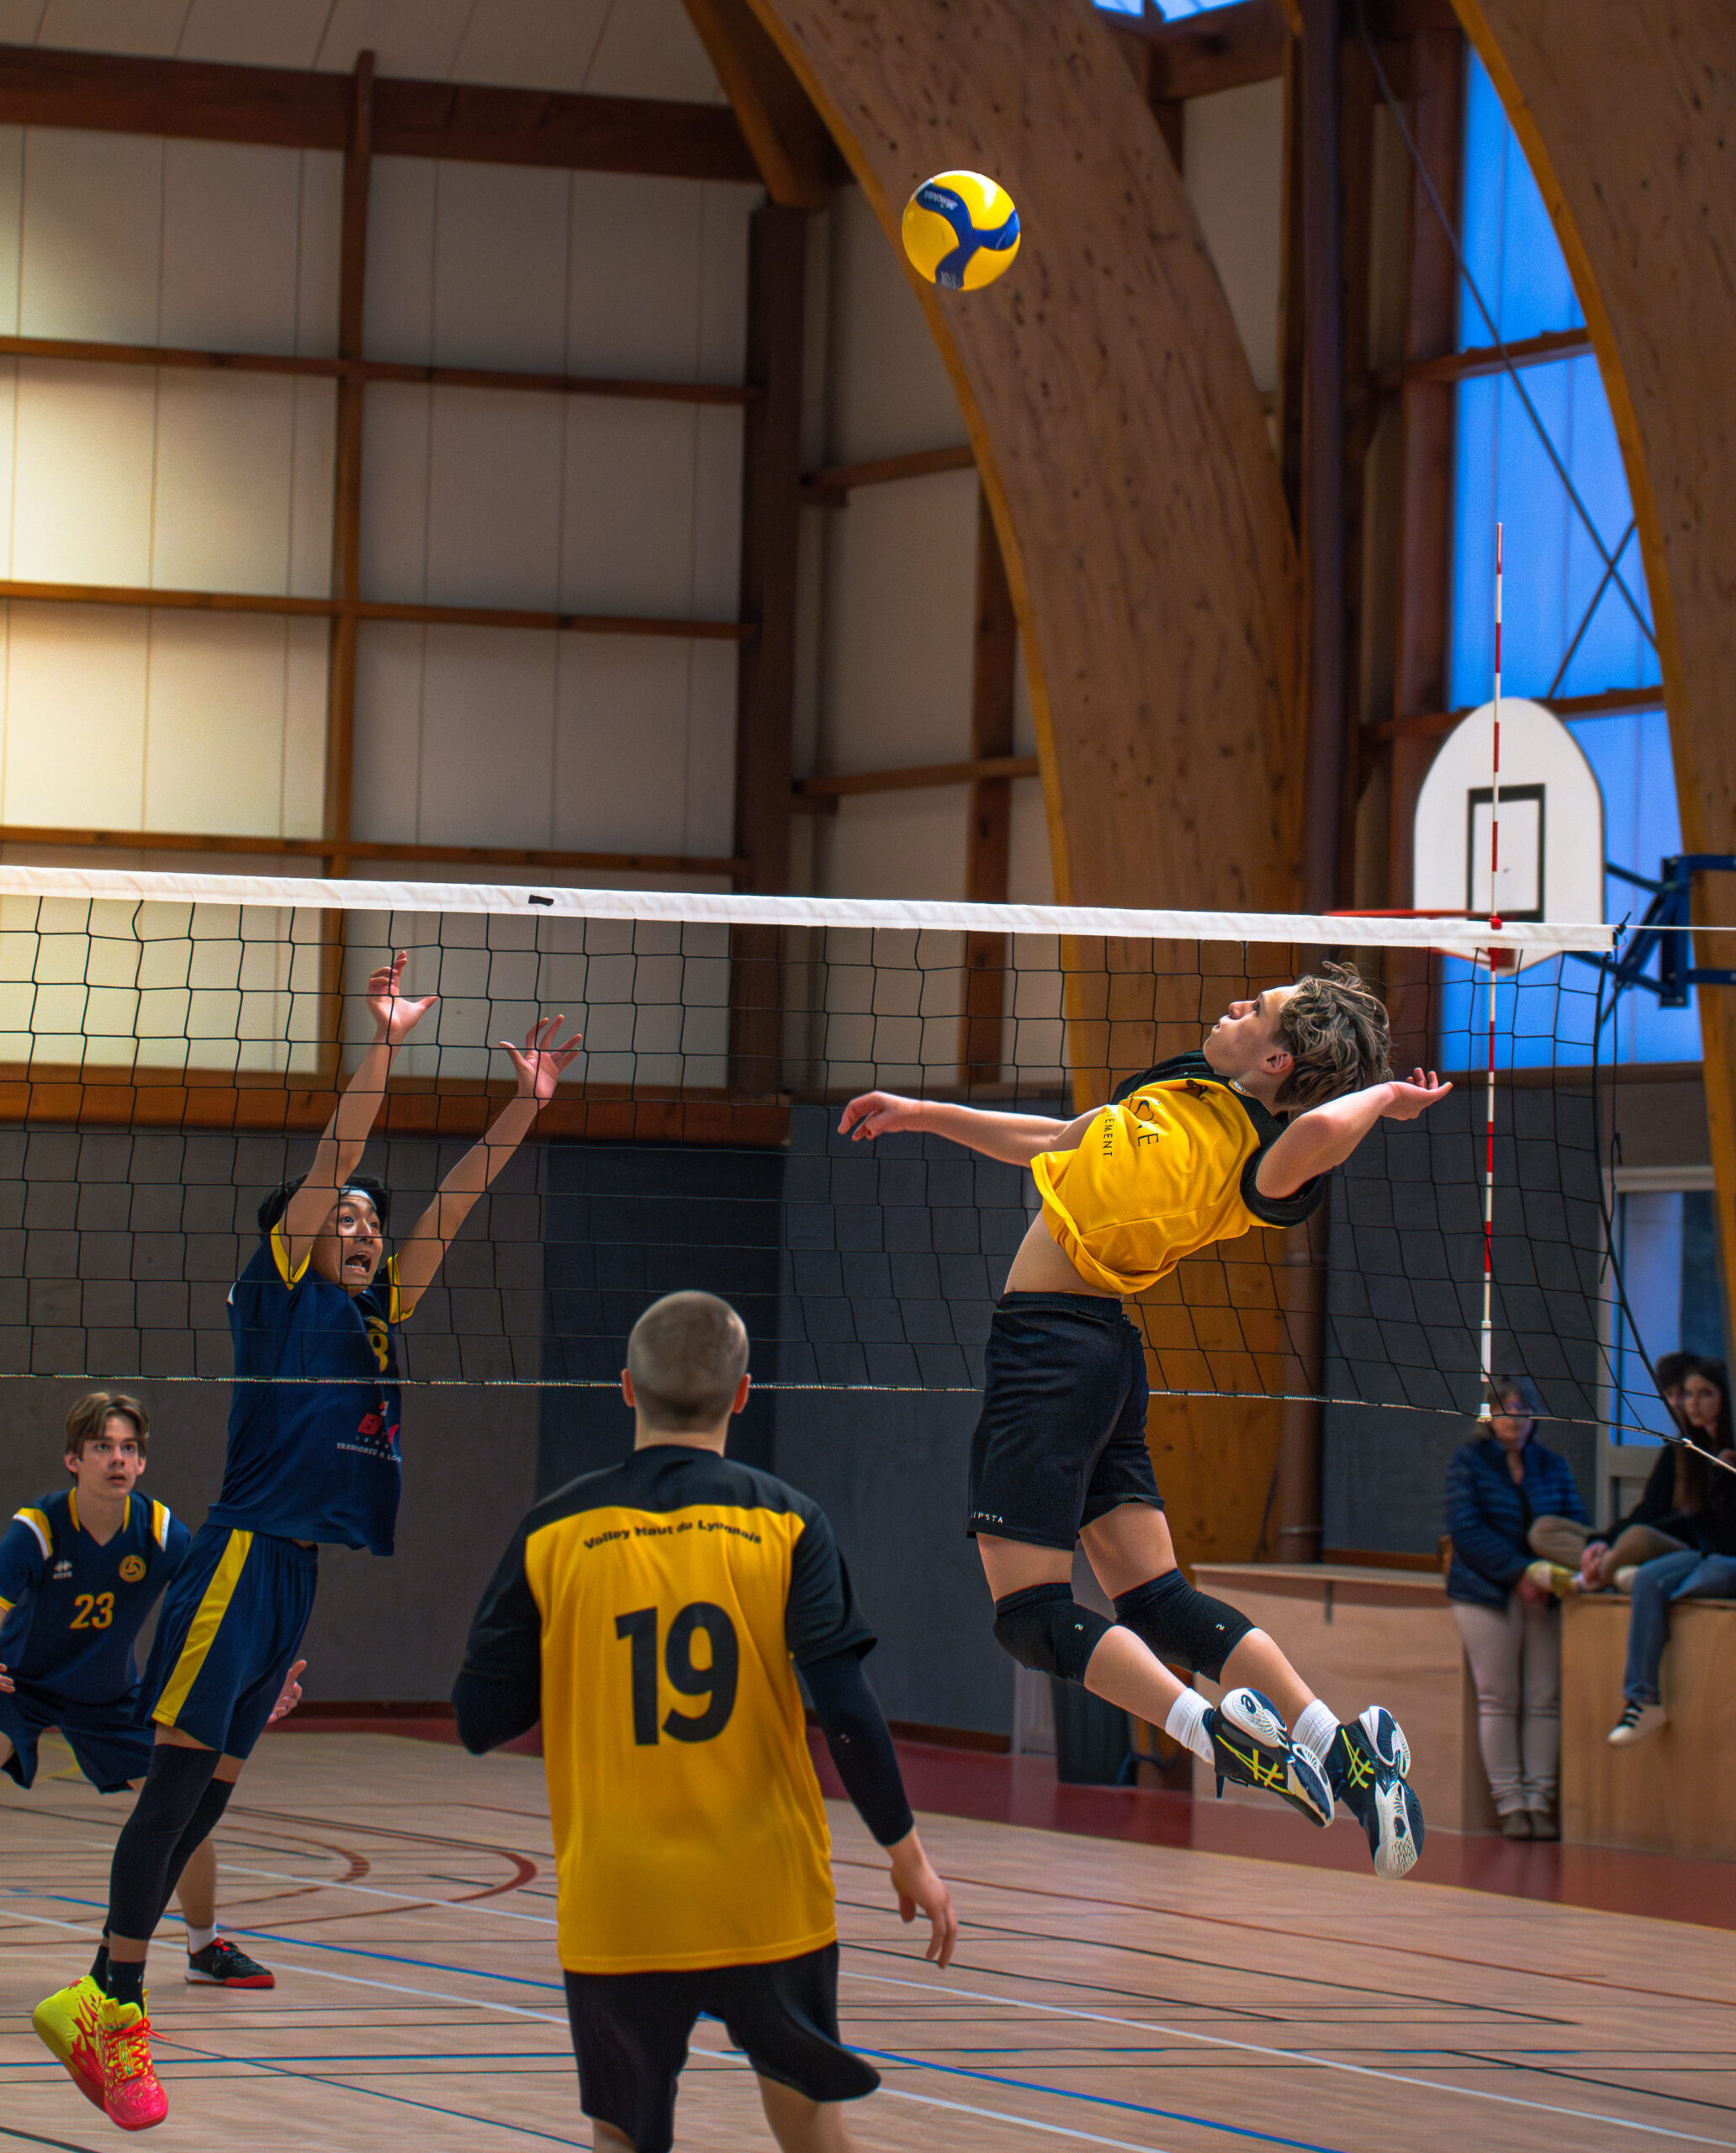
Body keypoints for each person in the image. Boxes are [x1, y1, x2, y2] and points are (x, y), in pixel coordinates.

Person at [32, 953, 580, 2133]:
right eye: (347, 1218)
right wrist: (383, 1046)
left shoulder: (377, 1310)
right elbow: (336, 1156)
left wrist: (523, 1110)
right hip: (241, 1556)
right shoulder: (281, 1288)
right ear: (300, 1233)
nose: (365, 1228)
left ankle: (108, 1988)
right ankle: (111, 1997)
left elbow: (453, 1210)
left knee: (209, 1798)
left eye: (373, 1221)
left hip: (295, 1574)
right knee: (177, 1784)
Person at [839, 964, 1449, 1881]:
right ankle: (1342, 1748)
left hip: (1050, 1354)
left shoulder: (1262, 1160)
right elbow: (1056, 1139)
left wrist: (1386, 1097)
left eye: (1258, 1010)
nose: (1236, 1005)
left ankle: (1215, 1736)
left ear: (1278, 1061)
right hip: (1102, 1359)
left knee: (1031, 1618)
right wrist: (924, 1113)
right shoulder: (1180, 1090)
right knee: (1158, 1601)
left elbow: (1320, 1130)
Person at [454, 1290, 958, 2153]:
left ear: (626, 1387)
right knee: (813, 2135)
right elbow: (845, 1707)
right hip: (766, 1894)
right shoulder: (788, 1521)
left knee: (623, 2139)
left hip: (618, 1900)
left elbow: (479, 1719)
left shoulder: (554, 1531)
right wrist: (906, 1854)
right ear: (742, 1394)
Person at [3, 1391, 293, 2065]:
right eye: (103, 1447)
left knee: (180, 1805)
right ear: (73, 1460)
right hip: (22, 1685)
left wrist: (264, 1677)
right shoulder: (37, 1530)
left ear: (141, 1462)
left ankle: (204, 1948)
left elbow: (216, 1612)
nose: (118, 1460)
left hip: (109, 1696)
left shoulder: (162, 1533)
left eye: (128, 1448)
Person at [1442, 1374, 1585, 1839]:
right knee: (1498, 1697)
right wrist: (1520, 1573)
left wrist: (1549, 1576)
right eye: (1505, 1409)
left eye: (1523, 1409)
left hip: (1545, 1594)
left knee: (1544, 1698)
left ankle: (1540, 1801)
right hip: (1484, 1592)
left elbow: (1574, 1525)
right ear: (1490, 1416)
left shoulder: (1553, 1466)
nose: (1515, 1418)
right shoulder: (1469, 1461)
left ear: (1533, 1416)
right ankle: (1510, 1805)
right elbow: (1466, 1530)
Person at [1606, 1355, 1736, 1744]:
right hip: (1706, 1554)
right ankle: (1643, 1701)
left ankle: (1659, 1590)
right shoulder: (1691, 1451)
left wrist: (1727, 1480)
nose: (1692, 1404)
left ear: (1725, 1399)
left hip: (1726, 1559)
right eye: (1688, 1394)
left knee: (1714, 1571)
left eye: (1704, 1394)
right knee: (1650, 1578)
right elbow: (1690, 1521)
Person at [1527, 1352, 1700, 1590]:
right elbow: (1648, 1509)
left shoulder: (1712, 1453)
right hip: (1634, 1539)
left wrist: (1614, 1542)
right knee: (1543, 1529)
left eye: (1684, 1395)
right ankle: (1611, 1568)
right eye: (1670, 1395)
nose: (1678, 1404)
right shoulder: (1675, 1450)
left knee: (1637, 1538)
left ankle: (1590, 1578)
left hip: (1675, 1546)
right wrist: (1605, 1542)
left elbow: (1686, 1522)